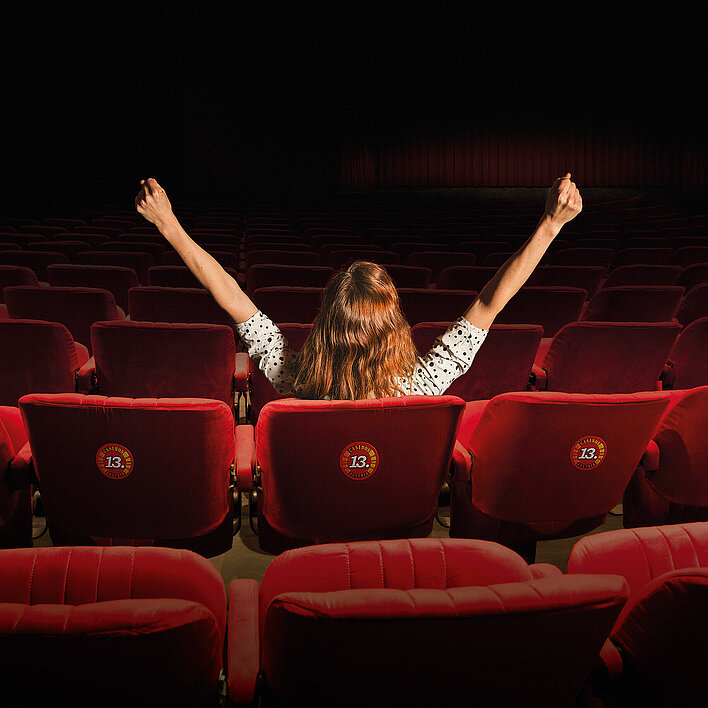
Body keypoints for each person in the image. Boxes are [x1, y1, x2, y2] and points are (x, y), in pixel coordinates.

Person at [135, 174, 582, 399]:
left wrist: (169, 225)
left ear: (326, 322)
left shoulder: (294, 379)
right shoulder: (421, 387)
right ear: (394, 326)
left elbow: (232, 297)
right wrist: (550, 225)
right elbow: (489, 301)